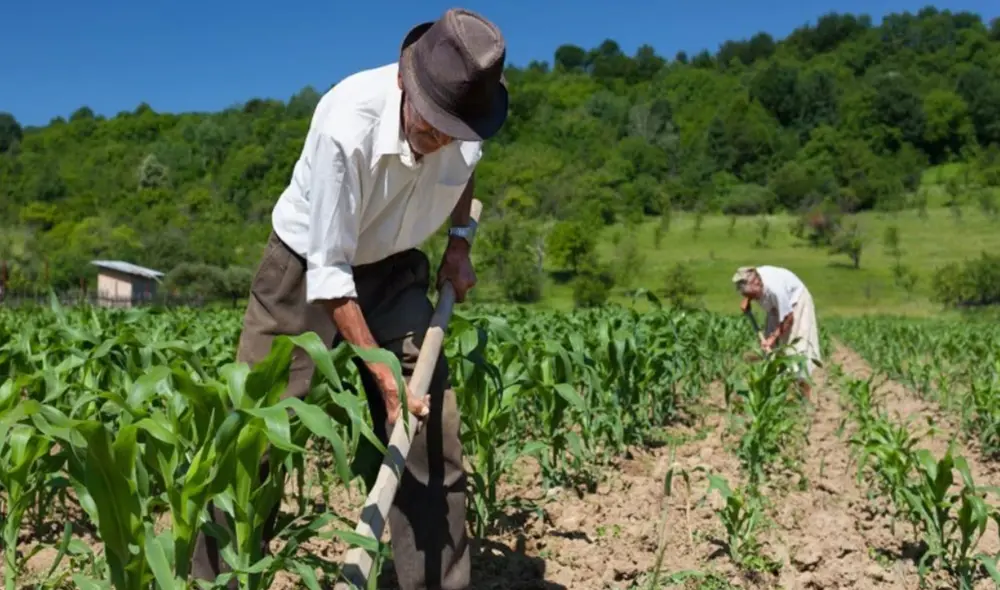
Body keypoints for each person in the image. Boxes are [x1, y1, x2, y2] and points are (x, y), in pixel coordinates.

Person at [190, 8, 508, 590]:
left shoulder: (468, 121)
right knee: (255, 434)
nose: (439, 138)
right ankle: (219, 582)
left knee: (430, 432)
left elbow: (465, 175)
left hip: (395, 266)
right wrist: (381, 374)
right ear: (408, 85)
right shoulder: (346, 122)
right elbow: (330, 273)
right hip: (305, 266)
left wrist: (459, 243)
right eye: (432, 123)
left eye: (452, 131)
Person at [732, 265, 821, 398]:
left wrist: (772, 338)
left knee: (797, 351)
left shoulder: (775, 290)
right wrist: (747, 299)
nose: (755, 299)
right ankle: (775, 393)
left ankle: (803, 399)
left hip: (796, 303)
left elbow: (788, 318)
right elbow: (749, 286)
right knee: (770, 351)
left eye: (754, 296)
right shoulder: (754, 277)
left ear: (758, 284)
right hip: (776, 307)